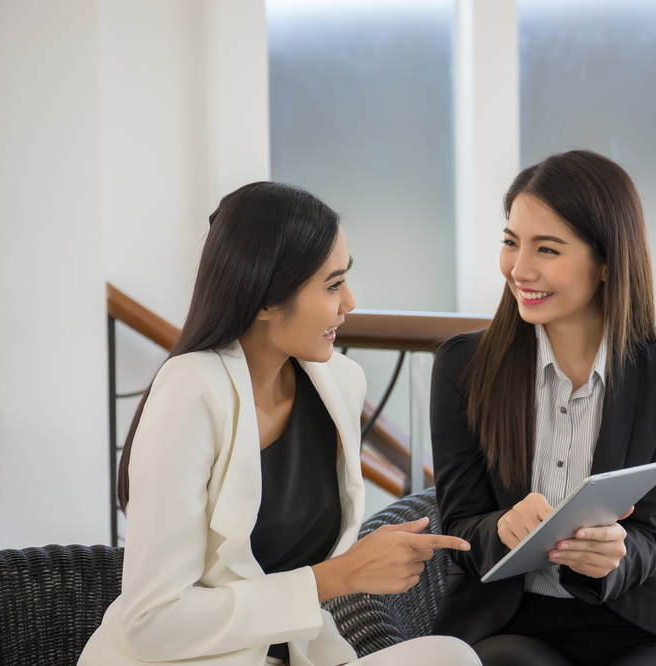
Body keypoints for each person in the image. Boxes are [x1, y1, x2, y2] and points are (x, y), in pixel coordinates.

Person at [79, 182, 480, 666]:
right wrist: (340, 576)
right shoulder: (190, 391)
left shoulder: (338, 384)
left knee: (452, 656)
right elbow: (151, 624)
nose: (349, 302)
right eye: (333, 285)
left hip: (296, 656)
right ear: (265, 300)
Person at [430, 150, 656, 666]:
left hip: (635, 621)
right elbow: (460, 526)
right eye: (511, 242)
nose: (519, 269)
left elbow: (651, 533)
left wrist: (615, 555)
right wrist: (501, 530)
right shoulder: (463, 367)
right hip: (508, 621)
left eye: (548, 249)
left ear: (606, 264)